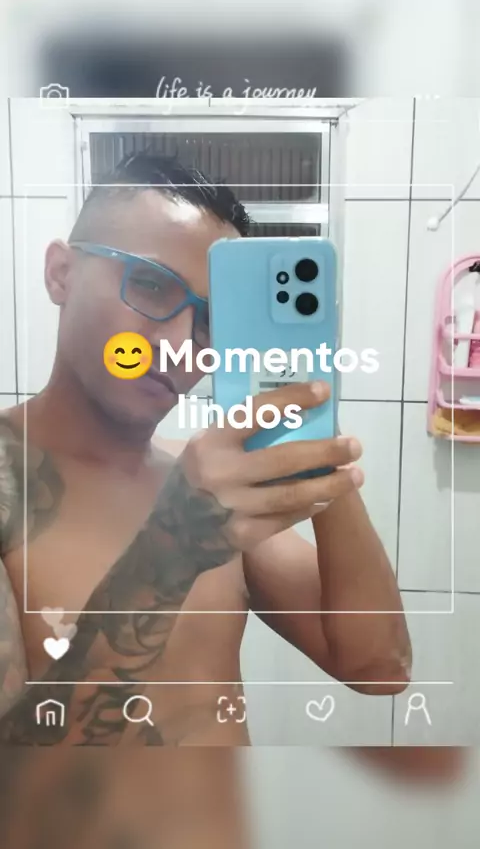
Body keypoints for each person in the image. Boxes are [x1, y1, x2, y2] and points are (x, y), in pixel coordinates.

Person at [0, 156, 463, 792]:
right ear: (61, 273)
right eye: (152, 286)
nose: (180, 344)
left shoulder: (206, 491)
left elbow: (380, 668)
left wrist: (314, 444)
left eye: (211, 321)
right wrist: (171, 546)